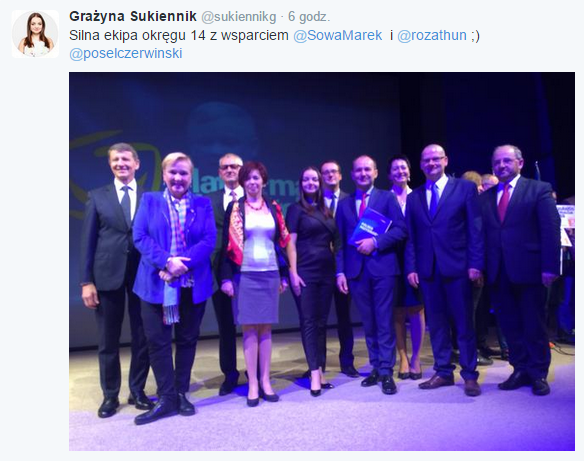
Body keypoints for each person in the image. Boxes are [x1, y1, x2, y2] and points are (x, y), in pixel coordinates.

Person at [132, 153, 216, 425]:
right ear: (164, 174)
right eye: (173, 172)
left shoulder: (203, 203)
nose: (178, 178)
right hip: (155, 284)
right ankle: (166, 397)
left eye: (183, 173)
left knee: (187, 340)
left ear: (191, 176)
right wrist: (167, 261)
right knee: (157, 342)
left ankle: (180, 393)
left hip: (192, 283)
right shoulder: (150, 200)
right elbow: (140, 236)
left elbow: (209, 239)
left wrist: (181, 265)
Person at [481, 145, 560, 396]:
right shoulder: (485, 197)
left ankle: (538, 373)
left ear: (520, 163)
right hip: (498, 271)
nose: (501, 165)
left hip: (531, 270)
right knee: (510, 325)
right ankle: (520, 368)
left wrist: (550, 266)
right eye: (497, 162)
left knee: (533, 324)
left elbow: (550, 229)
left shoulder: (539, 189)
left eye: (506, 161)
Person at [80, 142, 152, 419]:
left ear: (137, 164)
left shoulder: (150, 196)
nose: (120, 163)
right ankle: (110, 395)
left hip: (142, 276)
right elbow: (87, 242)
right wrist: (86, 281)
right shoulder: (97, 196)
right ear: (110, 164)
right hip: (106, 276)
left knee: (142, 336)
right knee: (108, 339)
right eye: (115, 160)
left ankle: (138, 390)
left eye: (125, 159)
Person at [405, 144, 483, 397]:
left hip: (458, 267)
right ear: (421, 164)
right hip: (428, 270)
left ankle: (469, 375)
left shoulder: (465, 188)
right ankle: (443, 372)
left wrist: (475, 264)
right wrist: (411, 267)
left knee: (464, 324)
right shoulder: (414, 197)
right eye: (426, 160)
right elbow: (412, 237)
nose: (431, 163)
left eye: (436, 159)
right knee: (437, 325)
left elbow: (475, 229)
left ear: (446, 160)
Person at [220, 161, 290, 406]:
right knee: (249, 329)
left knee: (266, 329)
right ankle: (252, 383)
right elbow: (225, 244)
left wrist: (284, 274)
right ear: (242, 182)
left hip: (270, 273)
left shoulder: (273, 207)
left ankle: (265, 380)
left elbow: (281, 242)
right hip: (245, 274)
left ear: (264, 181)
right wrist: (226, 277)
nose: (252, 182)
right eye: (248, 178)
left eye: (256, 178)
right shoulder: (235, 208)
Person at [336, 155, 408, 395]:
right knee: (368, 322)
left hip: (383, 269)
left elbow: (401, 230)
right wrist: (340, 272)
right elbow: (339, 242)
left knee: (384, 320)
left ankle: (386, 370)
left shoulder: (387, 198)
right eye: (358, 170)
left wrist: (376, 242)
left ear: (376, 173)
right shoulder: (344, 204)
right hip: (356, 272)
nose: (363, 174)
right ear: (352, 174)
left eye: (367, 169)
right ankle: (376, 366)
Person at [287, 167, 341, 396]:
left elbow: (334, 241)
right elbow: (290, 243)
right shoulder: (295, 209)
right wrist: (293, 272)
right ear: (301, 183)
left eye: (315, 179)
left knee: (321, 323)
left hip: (326, 272)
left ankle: (319, 368)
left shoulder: (326, 210)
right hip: (305, 271)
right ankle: (315, 373)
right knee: (309, 322)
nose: (311, 183)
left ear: (320, 183)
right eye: (306, 179)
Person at [208, 153, 244, 395]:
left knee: (254, 324)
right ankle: (230, 374)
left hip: (248, 269)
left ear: (242, 170)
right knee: (225, 325)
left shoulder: (254, 198)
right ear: (220, 172)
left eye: (234, 166)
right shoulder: (208, 200)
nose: (230, 170)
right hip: (217, 270)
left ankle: (256, 371)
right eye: (225, 167)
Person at [319, 160, 359, 377]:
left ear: (341, 175)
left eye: (334, 171)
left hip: (345, 266)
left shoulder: (351, 201)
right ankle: (318, 365)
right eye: (325, 172)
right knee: (320, 318)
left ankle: (347, 362)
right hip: (321, 268)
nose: (330, 175)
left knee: (344, 317)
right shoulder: (314, 202)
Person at [387, 155, 425, 380]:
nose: (400, 171)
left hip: (416, 261)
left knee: (417, 309)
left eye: (404, 168)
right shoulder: (383, 199)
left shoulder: (418, 197)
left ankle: (416, 357)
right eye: (395, 168)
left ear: (409, 172)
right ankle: (402, 357)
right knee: (398, 311)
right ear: (389, 174)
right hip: (390, 260)